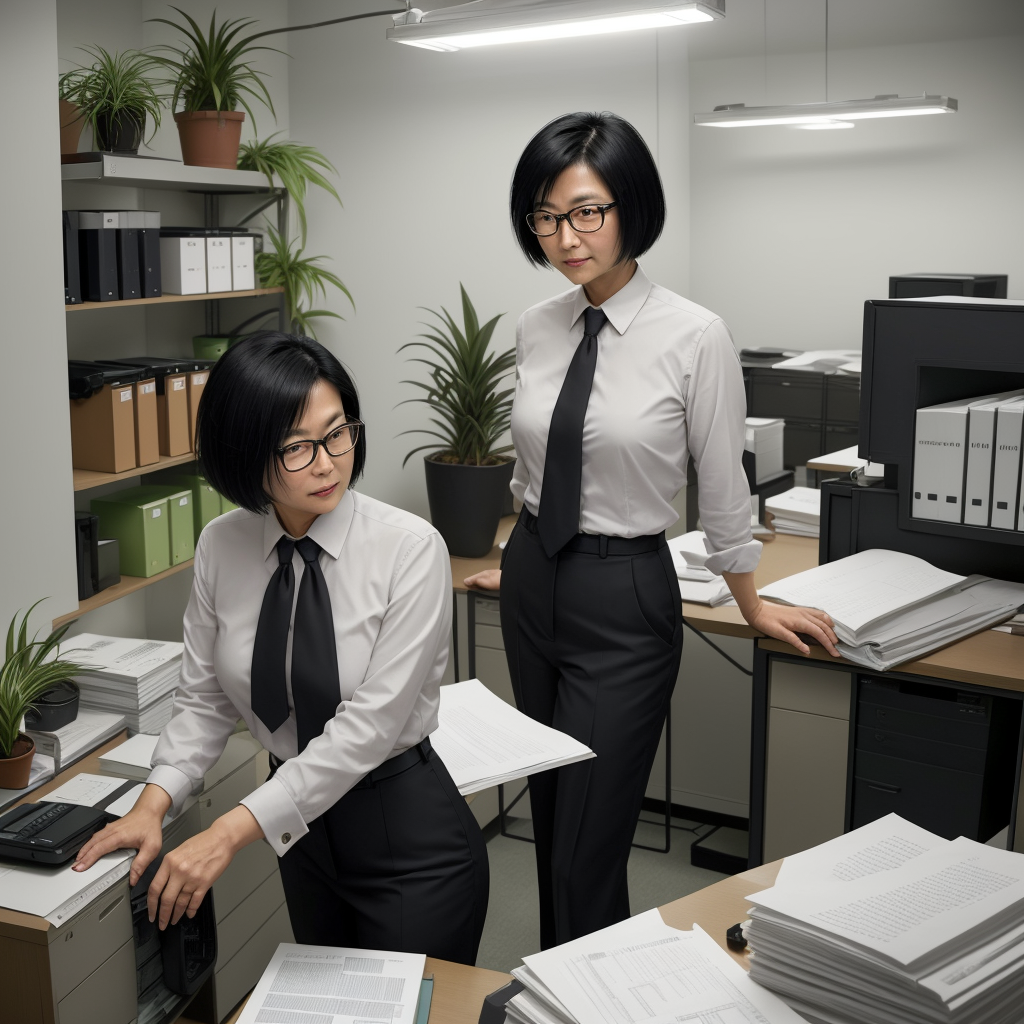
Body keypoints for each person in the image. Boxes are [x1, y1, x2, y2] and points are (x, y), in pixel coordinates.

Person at [464, 111, 839, 949]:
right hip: (534, 583)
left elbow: (721, 487)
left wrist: (750, 601)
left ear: (631, 206)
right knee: (554, 817)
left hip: (624, 599)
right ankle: (570, 992)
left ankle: (589, 997)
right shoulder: (537, 325)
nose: (567, 236)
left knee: (585, 846)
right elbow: (534, 466)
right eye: (547, 216)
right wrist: (516, 558)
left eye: (586, 211)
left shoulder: (694, 335)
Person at [75, 332, 489, 965]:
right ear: (245, 452)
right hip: (299, 837)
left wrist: (228, 831)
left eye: (338, 433)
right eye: (297, 447)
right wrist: (152, 803)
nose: (327, 462)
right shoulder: (222, 545)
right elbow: (205, 700)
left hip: (405, 835)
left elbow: (370, 727)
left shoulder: (409, 548)